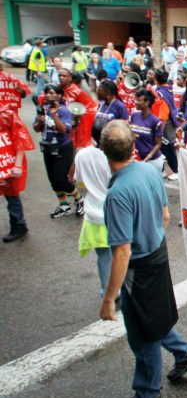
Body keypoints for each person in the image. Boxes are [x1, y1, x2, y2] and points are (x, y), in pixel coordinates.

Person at [99, 120, 187, 398]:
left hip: (140, 268)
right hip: (158, 254)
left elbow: (122, 252)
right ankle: (184, 353)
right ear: (134, 146)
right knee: (154, 316)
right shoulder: (148, 170)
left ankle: (147, 394)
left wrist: (109, 298)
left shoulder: (117, 194)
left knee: (143, 335)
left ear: (103, 151)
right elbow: (165, 216)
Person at [74, 119, 113, 296]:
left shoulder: (82, 155)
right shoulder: (114, 157)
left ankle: (107, 289)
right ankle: (121, 288)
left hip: (93, 214)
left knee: (103, 256)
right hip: (114, 214)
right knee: (122, 254)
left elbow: (80, 184)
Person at [33, 84, 84, 218]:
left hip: (63, 149)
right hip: (47, 148)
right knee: (53, 181)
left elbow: (63, 131)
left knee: (61, 180)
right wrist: (40, 121)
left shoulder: (64, 111)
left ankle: (79, 199)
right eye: (46, 93)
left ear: (59, 95)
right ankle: (64, 205)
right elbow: (37, 129)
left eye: (51, 93)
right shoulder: (43, 109)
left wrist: (54, 116)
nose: (48, 95)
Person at [0, 102, 35, 243]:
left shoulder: (7, 114)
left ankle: (19, 226)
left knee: (12, 195)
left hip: (8, 162)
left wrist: (18, 164)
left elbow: (19, 138)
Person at [129, 89, 165, 172]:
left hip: (152, 162)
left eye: (138, 100)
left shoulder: (155, 121)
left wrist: (146, 159)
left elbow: (158, 144)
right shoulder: (134, 116)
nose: (135, 102)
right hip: (136, 160)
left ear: (147, 102)